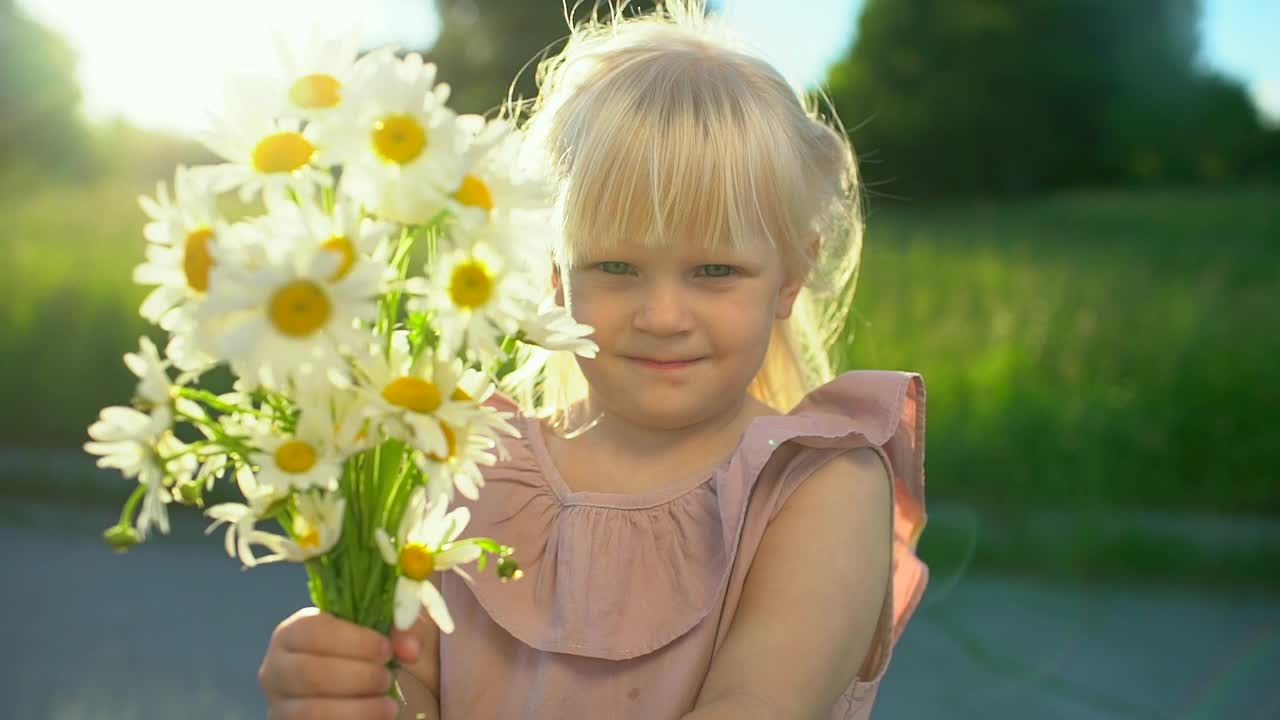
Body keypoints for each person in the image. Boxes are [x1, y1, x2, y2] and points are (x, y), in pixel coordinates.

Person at [258, 2, 928, 718]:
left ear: (792, 275)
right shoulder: (468, 460)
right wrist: (345, 688)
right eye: (615, 265)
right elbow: (409, 692)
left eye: (714, 272)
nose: (662, 317)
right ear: (555, 272)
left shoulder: (819, 487)